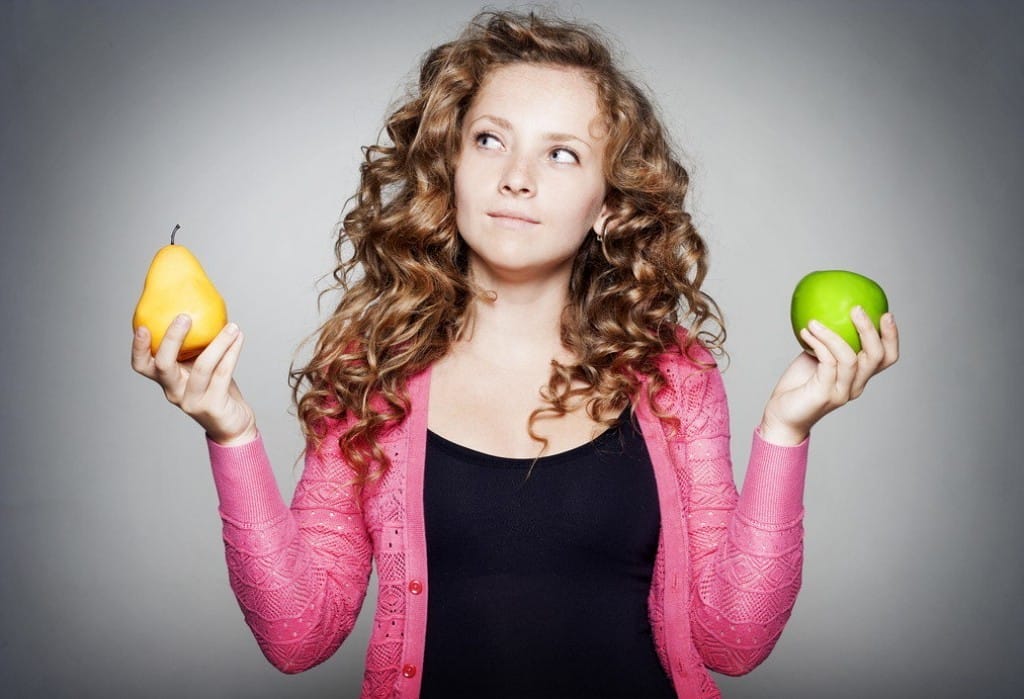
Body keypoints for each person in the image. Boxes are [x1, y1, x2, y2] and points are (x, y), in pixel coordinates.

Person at [131, 9, 899, 699]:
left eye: (562, 155)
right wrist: (229, 432)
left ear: (607, 204)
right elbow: (298, 639)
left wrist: (787, 430)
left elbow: (731, 642)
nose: (517, 179)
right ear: (451, 166)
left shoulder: (674, 377)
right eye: (490, 139)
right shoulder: (371, 373)